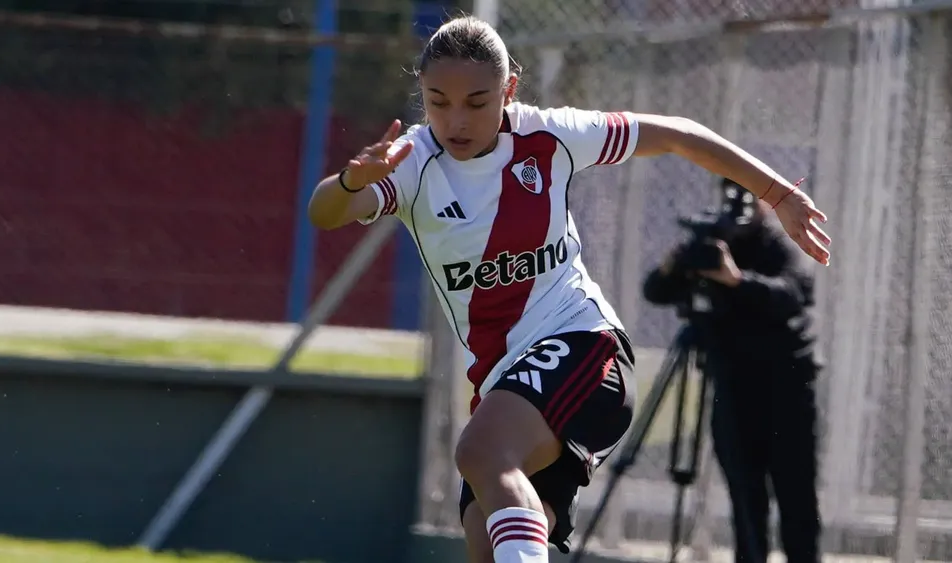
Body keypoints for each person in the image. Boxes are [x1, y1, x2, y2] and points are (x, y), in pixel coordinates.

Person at [307, 15, 831, 563]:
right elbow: (326, 212)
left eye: (477, 102)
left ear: (509, 89)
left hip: (587, 350)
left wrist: (778, 194)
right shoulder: (411, 161)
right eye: (438, 102)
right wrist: (351, 181)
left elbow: (677, 133)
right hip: (507, 382)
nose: (455, 120)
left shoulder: (549, 135)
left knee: (481, 452)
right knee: (484, 536)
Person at [642, 178, 823, 563]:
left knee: (795, 495)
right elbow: (656, 291)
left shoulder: (778, 244)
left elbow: (792, 295)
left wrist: (736, 280)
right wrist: (675, 263)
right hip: (731, 384)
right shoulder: (714, 241)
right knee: (745, 495)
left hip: (786, 387)